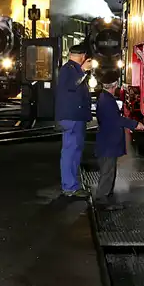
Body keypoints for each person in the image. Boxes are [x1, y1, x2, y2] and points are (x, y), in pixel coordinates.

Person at [55, 42, 93, 199]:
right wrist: (84, 71)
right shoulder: (68, 70)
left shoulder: (72, 69)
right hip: (71, 117)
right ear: (83, 57)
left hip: (76, 117)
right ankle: (69, 187)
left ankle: (73, 185)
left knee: (74, 151)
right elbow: (72, 86)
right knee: (70, 151)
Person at [95, 71, 138, 207]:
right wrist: (135, 124)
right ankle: (102, 199)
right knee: (107, 171)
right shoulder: (107, 100)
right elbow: (116, 120)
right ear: (114, 85)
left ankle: (107, 195)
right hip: (108, 141)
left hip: (107, 140)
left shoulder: (104, 97)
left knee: (109, 169)